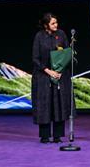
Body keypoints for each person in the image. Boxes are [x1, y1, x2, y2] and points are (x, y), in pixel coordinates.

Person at [31, 13, 72, 143]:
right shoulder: (39, 36)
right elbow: (35, 59)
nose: (56, 25)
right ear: (46, 25)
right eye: (53, 23)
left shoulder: (61, 34)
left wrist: (60, 70)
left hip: (59, 75)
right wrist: (49, 71)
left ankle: (57, 136)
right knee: (45, 105)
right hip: (43, 76)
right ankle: (44, 136)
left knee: (58, 104)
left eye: (56, 22)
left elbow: (67, 52)